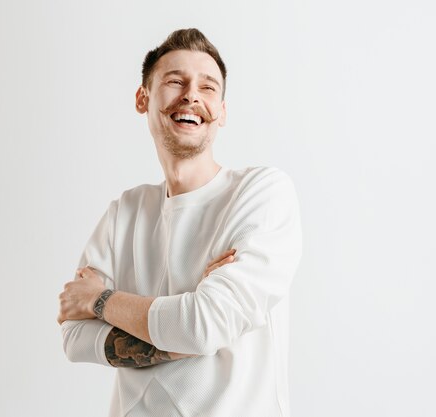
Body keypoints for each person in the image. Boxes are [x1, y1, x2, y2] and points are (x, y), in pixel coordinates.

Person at [58, 28, 302, 417]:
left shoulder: (262, 193)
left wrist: (99, 301)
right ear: (143, 98)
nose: (192, 95)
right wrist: (183, 328)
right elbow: (74, 337)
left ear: (222, 111)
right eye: (175, 81)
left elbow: (203, 324)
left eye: (208, 87)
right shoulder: (126, 211)